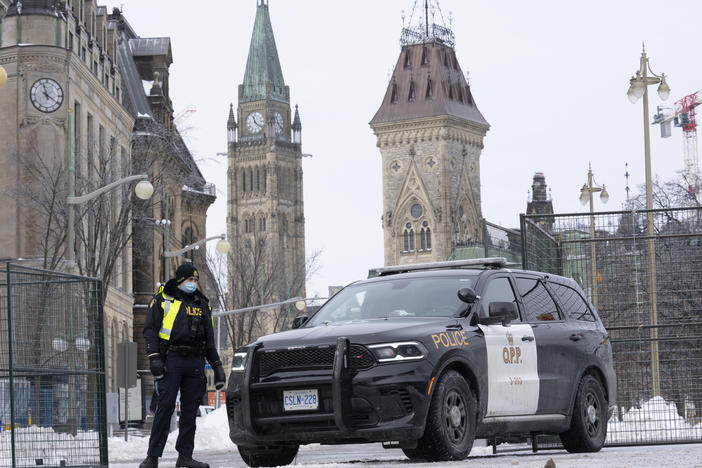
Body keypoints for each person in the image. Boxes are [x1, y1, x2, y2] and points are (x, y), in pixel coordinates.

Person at [139, 264, 226, 468]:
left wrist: (217, 366)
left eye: (195, 281)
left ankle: (185, 457)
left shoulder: (202, 303)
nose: (193, 284)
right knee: (166, 405)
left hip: (196, 362)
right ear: (180, 280)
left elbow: (210, 341)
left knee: (190, 411)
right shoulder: (164, 298)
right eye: (189, 280)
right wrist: (154, 357)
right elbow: (150, 330)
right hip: (172, 359)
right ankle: (152, 457)